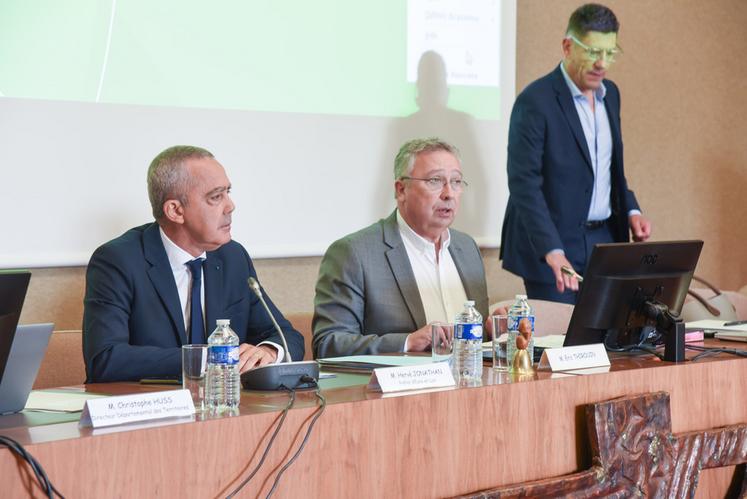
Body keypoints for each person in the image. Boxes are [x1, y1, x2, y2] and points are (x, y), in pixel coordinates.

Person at [83, 146, 304, 382]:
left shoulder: (232, 257)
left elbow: (285, 334)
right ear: (176, 211)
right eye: (216, 197)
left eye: (228, 192)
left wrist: (269, 351)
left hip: (223, 406)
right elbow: (105, 358)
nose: (230, 206)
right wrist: (210, 359)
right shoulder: (118, 260)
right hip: (153, 408)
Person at [500, 3, 652, 304]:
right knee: (560, 345)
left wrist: (632, 209)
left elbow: (607, 168)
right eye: (594, 52)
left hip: (603, 240)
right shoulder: (535, 101)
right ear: (568, 46)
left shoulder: (611, 95)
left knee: (608, 341)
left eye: (610, 52)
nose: (602, 63)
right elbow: (523, 183)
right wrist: (551, 249)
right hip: (553, 242)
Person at [313, 138, 489, 358]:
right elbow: (328, 344)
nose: (449, 193)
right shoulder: (355, 253)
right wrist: (407, 342)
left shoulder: (467, 248)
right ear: (401, 189)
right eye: (435, 180)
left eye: (456, 182)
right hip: (397, 390)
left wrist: (489, 330)